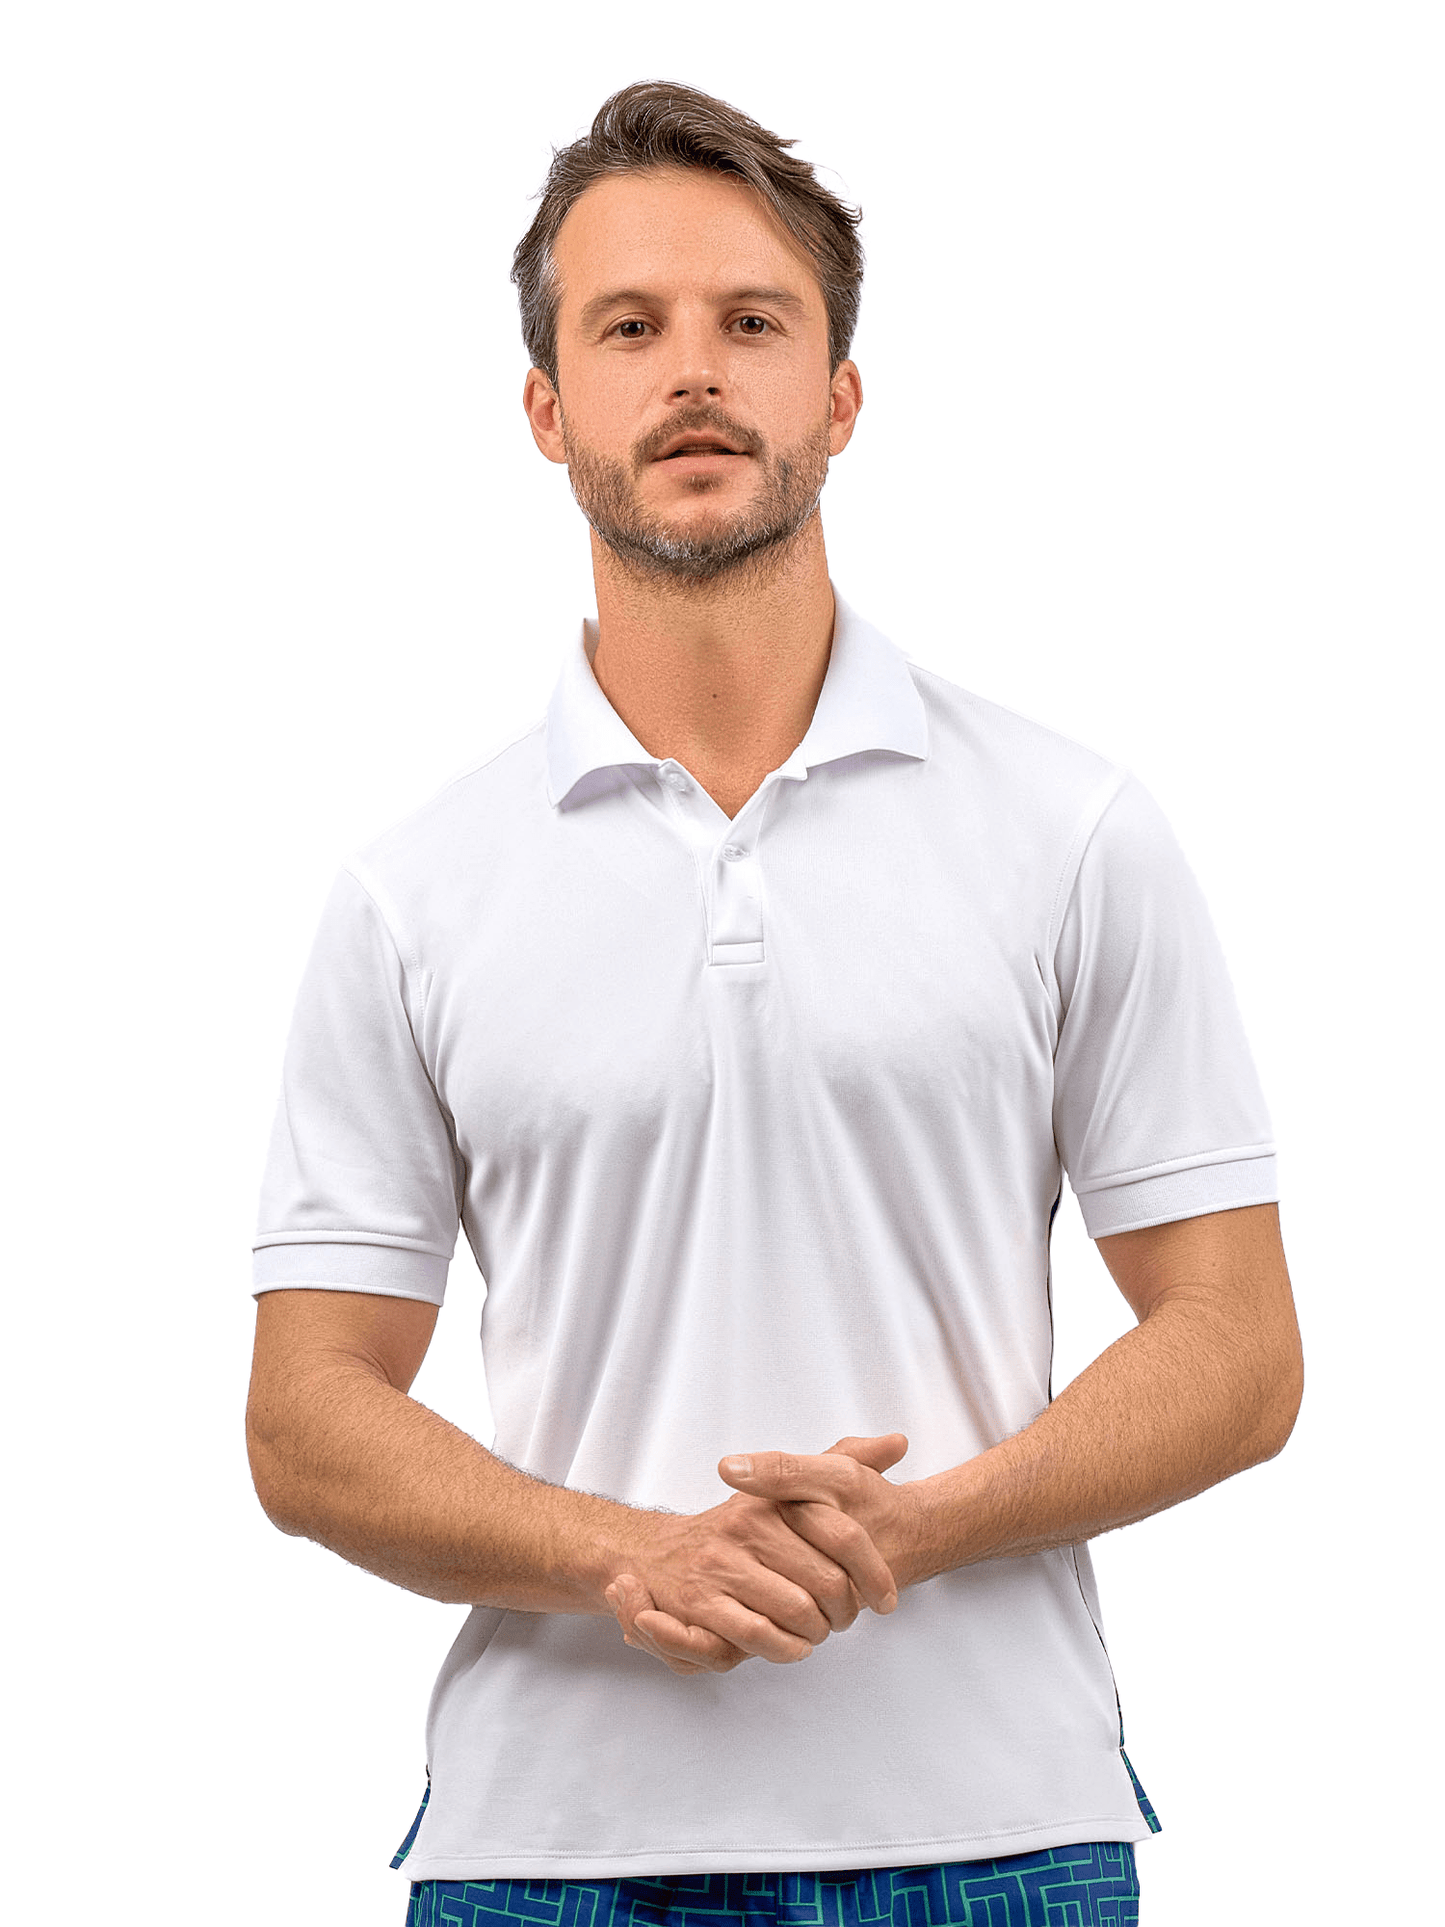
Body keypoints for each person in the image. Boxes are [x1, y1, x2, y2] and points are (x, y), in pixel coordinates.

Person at [245, 80, 1303, 1927]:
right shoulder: (415, 893)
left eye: (754, 322)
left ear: (841, 394)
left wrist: (925, 1529)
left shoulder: (1070, 830)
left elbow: (1241, 1342)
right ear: (547, 407)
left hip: (1003, 1846)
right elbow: (306, 1411)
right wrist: (625, 1555)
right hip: (548, 1862)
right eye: (629, 326)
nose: (695, 374)